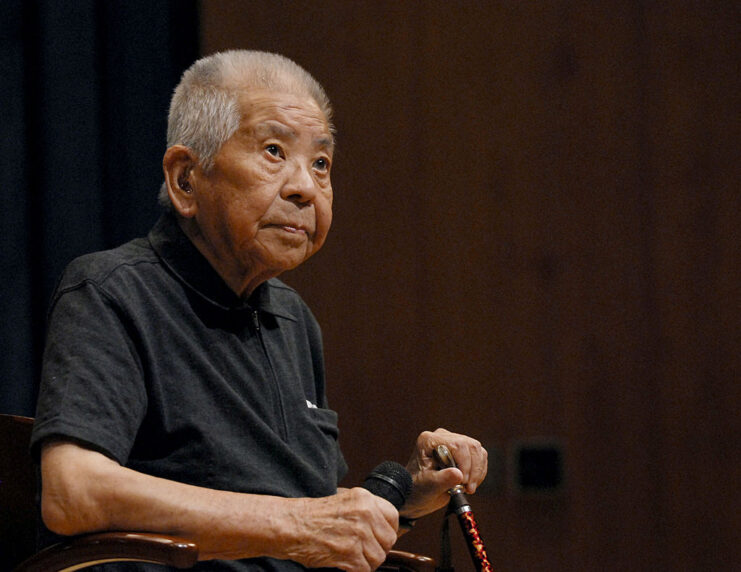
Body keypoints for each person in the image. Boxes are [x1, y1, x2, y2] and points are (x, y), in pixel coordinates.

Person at [31, 50, 487, 572]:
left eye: (321, 163)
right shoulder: (112, 292)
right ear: (185, 178)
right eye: (274, 151)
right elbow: (72, 492)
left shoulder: (294, 322)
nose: (304, 187)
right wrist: (299, 527)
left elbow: (304, 514)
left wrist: (402, 501)